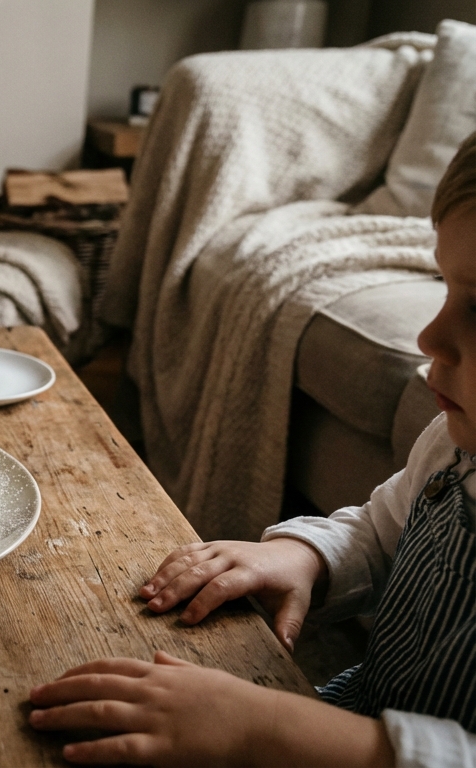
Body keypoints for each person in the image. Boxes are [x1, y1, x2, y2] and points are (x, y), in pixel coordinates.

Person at [26, 133, 476, 766]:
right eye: (444, 286)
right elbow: (382, 532)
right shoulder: (456, 447)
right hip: (359, 711)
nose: (431, 336)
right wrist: (307, 555)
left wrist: (262, 727)